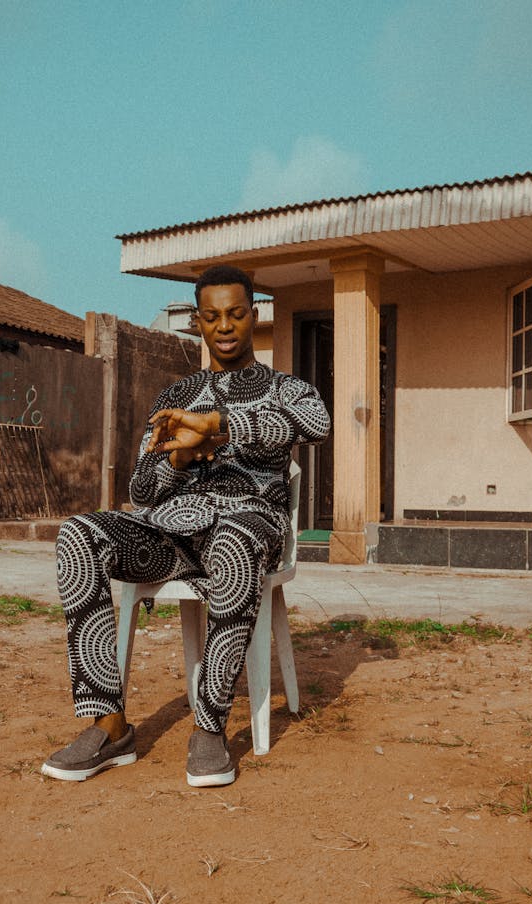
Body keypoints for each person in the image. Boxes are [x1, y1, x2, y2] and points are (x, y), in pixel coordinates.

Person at [42, 264, 330, 787]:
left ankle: (209, 729)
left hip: (245, 530)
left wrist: (218, 428)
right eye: (213, 316)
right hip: (173, 539)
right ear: (198, 322)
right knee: (80, 534)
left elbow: (316, 424)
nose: (225, 326)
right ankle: (109, 726)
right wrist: (178, 460)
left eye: (236, 314)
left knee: (234, 541)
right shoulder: (174, 397)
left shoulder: (286, 390)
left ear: (253, 315)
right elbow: (141, 491)